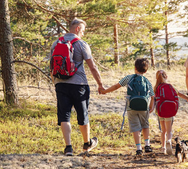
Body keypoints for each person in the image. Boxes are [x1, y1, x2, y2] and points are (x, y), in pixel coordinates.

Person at [50, 18, 104, 156]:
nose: (83, 34)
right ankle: (87, 144)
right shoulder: (81, 44)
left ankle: (68, 148)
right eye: (83, 31)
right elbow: (92, 67)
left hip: (60, 84)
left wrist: (56, 83)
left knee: (64, 116)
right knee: (82, 114)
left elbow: (52, 67)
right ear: (78, 28)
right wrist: (100, 84)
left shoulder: (56, 43)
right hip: (79, 85)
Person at [100, 58, 155, 156]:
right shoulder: (147, 81)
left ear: (135, 68)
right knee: (145, 125)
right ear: (146, 71)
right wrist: (151, 106)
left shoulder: (129, 78)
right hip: (144, 107)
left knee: (135, 127)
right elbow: (152, 95)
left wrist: (105, 91)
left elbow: (117, 86)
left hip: (131, 107)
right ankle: (147, 145)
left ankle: (138, 148)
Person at [154, 70, 188, 155]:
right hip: (169, 110)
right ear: (166, 76)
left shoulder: (156, 87)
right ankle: (169, 141)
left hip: (160, 111)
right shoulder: (171, 86)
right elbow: (179, 94)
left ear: (157, 78)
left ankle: (163, 148)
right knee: (169, 130)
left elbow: (153, 99)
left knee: (163, 130)